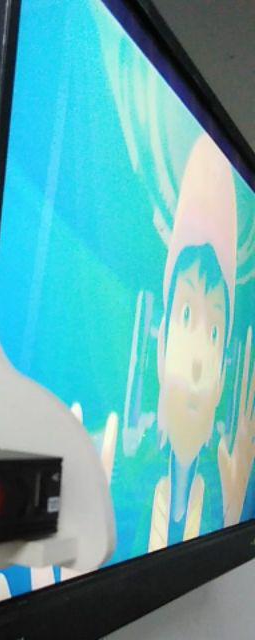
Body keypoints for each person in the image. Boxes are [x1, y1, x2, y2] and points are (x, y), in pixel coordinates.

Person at [149, 134, 247, 549]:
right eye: (186, 316)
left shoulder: (221, 495)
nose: (197, 362)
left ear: (223, 380)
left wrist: (234, 520)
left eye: (214, 334)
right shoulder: (125, 483)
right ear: (160, 348)